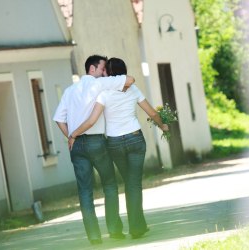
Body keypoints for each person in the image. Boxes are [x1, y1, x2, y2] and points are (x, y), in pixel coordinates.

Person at [68, 57, 169, 239]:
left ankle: (137, 226)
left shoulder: (104, 94)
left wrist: (74, 134)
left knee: (129, 182)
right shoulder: (133, 90)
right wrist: (163, 126)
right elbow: (152, 112)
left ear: (109, 72)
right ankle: (137, 227)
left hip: (114, 144)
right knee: (134, 183)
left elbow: (91, 121)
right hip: (135, 139)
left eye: (105, 69)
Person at [53, 55, 135, 245]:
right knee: (110, 185)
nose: (104, 72)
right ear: (92, 69)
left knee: (84, 191)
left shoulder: (69, 90)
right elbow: (130, 80)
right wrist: (111, 80)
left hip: (77, 146)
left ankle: (94, 236)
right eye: (102, 69)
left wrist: (70, 137)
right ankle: (115, 230)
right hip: (96, 142)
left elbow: (58, 118)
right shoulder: (100, 85)